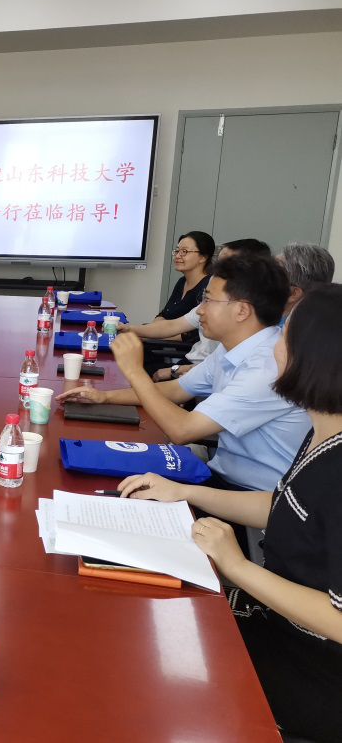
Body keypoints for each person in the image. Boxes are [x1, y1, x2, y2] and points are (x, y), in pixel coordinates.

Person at [117, 284, 342, 742]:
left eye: (284, 336)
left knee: (153, 667)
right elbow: (281, 504)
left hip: (313, 670)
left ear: (313, 356)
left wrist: (237, 566)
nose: (274, 347)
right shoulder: (322, 428)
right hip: (272, 619)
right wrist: (183, 491)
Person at [58, 254, 310, 493]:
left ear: (242, 311)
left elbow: (181, 430)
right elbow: (176, 389)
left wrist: (135, 370)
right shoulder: (234, 347)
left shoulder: (267, 367)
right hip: (221, 475)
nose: (199, 310)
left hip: (253, 497)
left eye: (208, 300)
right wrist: (104, 397)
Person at [120, 239, 271, 381]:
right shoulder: (210, 294)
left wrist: (172, 370)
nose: (200, 311)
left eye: (227, 264)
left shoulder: (248, 325)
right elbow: (173, 325)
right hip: (193, 368)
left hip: (196, 370)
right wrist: (129, 328)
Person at [157, 230, 216, 323]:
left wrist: (157, 330)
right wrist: (153, 326)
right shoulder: (182, 281)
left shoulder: (208, 286)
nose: (177, 256)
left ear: (203, 257)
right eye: (177, 251)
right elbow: (165, 313)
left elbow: (192, 329)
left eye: (184, 251)